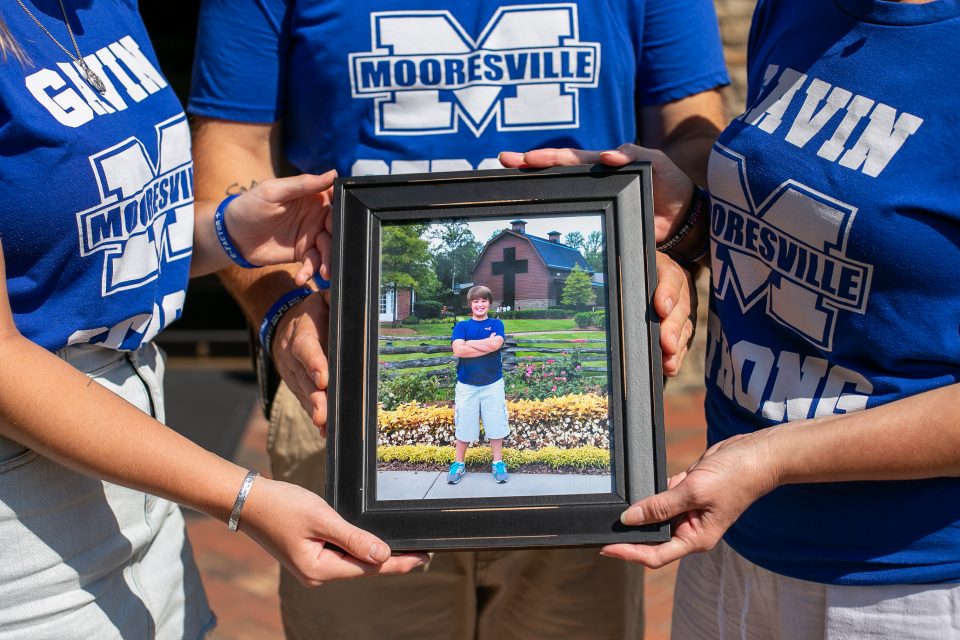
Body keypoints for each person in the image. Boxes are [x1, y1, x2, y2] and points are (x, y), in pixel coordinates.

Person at [187, 0, 729, 637]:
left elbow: (696, 134)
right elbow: (229, 148)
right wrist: (280, 310)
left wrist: (665, 248)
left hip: (602, 438)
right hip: (340, 394)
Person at [504, 0, 960, 637]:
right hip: (735, 533)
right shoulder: (799, 10)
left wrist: (771, 460)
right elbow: (807, 240)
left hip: (902, 583)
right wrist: (686, 221)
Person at [0, 3, 425, 637]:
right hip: (27, 530)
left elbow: (72, 253)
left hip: (139, 478)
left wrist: (225, 232)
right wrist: (244, 497)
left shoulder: (99, 8)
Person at [448, 285, 509, 485]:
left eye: (483, 301)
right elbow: (458, 351)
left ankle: (498, 463)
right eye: (476, 301)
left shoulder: (496, 324)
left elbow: (495, 345)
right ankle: (459, 464)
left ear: (489, 304)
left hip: (493, 384)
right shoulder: (462, 326)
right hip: (467, 385)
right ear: (470, 304)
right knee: (464, 424)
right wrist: (486, 345)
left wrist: (469, 344)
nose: (480, 304)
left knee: (496, 423)